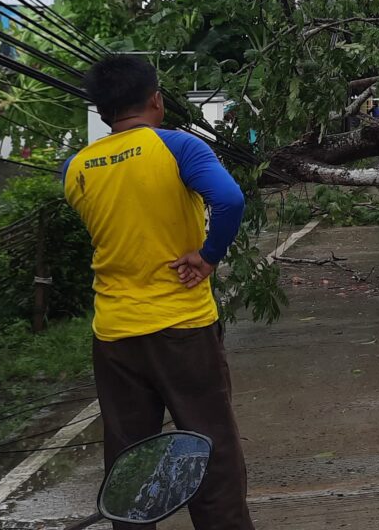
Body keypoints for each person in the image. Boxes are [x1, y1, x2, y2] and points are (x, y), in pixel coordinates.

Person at [63, 55, 252, 530]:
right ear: (156, 100)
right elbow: (229, 199)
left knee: (129, 462)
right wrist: (208, 256)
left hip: (113, 336)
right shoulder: (178, 148)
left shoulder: (76, 168)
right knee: (211, 450)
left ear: (104, 112)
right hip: (182, 328)